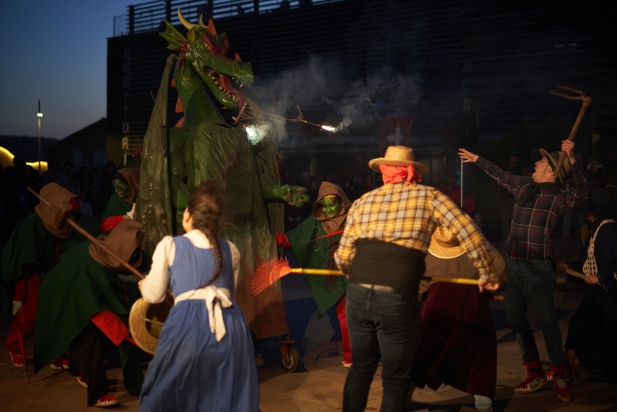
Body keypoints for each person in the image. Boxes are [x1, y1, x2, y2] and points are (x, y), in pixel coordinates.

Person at [335, 146, 499, 412]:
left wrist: (364, 275)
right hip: (396, 294)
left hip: (357, 294)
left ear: (383, 173)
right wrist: (487, 271)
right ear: (411, 171)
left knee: (360, 370)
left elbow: (342, 259)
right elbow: (469, 230)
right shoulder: (429, 197)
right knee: (396, 377)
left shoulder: (362, 202)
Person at [459, 139, 587, 403]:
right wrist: (477, 158)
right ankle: (534, 371)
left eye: (542, 161)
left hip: (538, 268)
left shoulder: (559, 198)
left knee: (548, 322)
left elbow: (583, 190)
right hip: (514, 265)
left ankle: (560, 373)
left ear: (552, 170)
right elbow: (499, 173)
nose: (537, 162)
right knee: (515, 318)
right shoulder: (523, 186)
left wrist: (573, 160)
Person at [138, 181, 258, 411]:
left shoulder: (170, 245)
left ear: (188, 214)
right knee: (224, 392)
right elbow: (227, 293)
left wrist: (144, 284)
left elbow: (154, 295)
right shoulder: (231, 249)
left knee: (168, 391)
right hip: (229, 323)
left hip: (188, 324)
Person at [33, 220, 148, 408]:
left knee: (105, 335)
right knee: (87, 338)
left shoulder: (110, 252)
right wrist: (130, 334)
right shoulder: (91, 266)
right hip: (63, 295)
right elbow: (97, 310)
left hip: (83, 295)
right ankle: (97, 393)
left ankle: (78, 368)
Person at [1, 182, 100, 369]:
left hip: (57, 275)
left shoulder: (68, 223)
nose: (72, 219)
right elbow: (23, 264)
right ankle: (14, 346)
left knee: (58, 315)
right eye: (68, 214)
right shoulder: (30, 226)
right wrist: (18, 297)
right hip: (36, 277)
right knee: (31, 314)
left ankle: (55, 353)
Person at [412, 225, 508, 412]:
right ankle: (483, 401)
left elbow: (418, 281)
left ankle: (404, 392)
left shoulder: (423, 246)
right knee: (479, 350)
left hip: (438, 304)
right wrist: (491, 285)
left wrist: (424, 293)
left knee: (427, 350)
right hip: (473, 302)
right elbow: (500, 268)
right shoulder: (476, 242)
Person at [275, 182, 353, 367]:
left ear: (341, 202)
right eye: (324, 205)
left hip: (357, 273)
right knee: (346, 315)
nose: (328, 209)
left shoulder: (354, 217)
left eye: (332, 204)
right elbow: (294, 238)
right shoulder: (315, 223)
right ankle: (351, 355)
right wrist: (275, 239)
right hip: (335, 277)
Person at [556, 198, 617, 383]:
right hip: (598, 293)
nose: (582, 208)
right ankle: (565, 368)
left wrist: (601, 278)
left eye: (586, 205)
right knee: (578, 325)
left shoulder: (608, 230)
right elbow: (588, 264)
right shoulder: (594, 230)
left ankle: (566, 368)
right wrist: (569, 268)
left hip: (610, 294)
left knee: (602, 335)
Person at [100, 167, 140, 233]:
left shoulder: (141, 199)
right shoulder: (116, 199)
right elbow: (104, 225)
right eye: (115, 186)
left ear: (132, 185)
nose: (116, 190)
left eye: (121, 187)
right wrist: (124, 218)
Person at [499, 152, 522, 241]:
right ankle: (505, 241)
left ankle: (515, 241)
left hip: (514, 198)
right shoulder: (504, 169)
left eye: (515, 158)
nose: (513, 160)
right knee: (505, 221)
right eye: (511, 158)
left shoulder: (519, 170)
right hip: (504, 197)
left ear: (517, 159)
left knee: (514, 220)